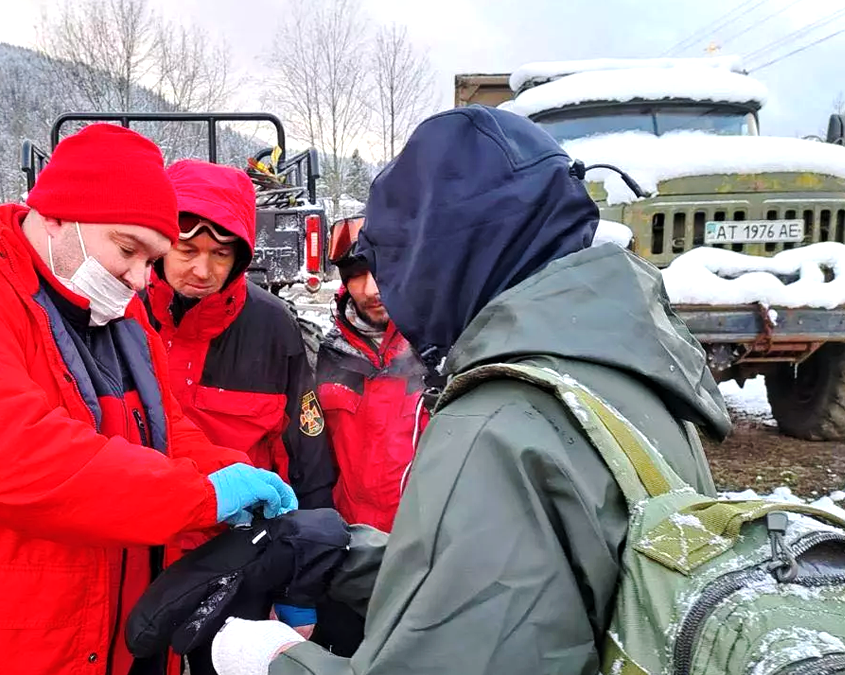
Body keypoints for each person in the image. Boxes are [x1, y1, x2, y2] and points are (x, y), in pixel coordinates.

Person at [208, 105, 732, 675]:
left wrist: (272, 660)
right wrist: (342, 554)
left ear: (436, 253)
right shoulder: (621, 367)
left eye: (391, 261)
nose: (385, 288)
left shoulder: (496, 423)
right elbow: (544, 584)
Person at [0, 123, 298, 675]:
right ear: (57, 215)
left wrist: (229, 473)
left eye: (152, 260)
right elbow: (5, 458)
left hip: (98, 636)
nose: (141, 279)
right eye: (128, 249)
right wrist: (200, 496)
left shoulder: (122, 317)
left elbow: (165, 431)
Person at [142, 159, 337, 513]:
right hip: (139, 531)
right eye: (187, 251)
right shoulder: (124, 314)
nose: (202, 271)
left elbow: (306, 454)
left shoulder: (274, 328)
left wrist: (313, 528)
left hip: (237, 536)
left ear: (239, 257)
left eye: (220, 254)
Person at [317, 213, 428, 534]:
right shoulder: (330, 355)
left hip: (422, 540)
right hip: (351, 538)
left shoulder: (440, 350)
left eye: (381, 271)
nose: (370, 289)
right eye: (356, 276)